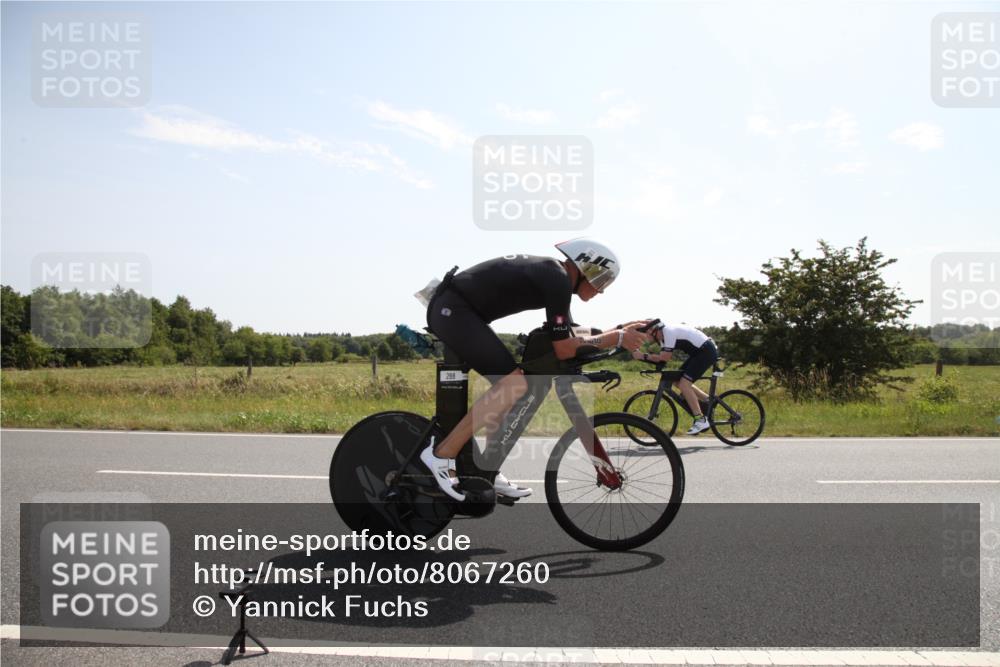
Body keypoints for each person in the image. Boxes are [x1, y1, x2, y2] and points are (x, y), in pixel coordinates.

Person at [421, 238, 650, 501]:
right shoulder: (558, 279)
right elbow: (564, 348)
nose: (602, 290)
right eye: (603, 281)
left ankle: (486, 469)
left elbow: (572, 334)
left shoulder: (557, 277)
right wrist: (617, 337)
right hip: (453, 310)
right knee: (515, 385)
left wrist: (619, 329)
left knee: (510, 388)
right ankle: (441, 455)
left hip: (459, 310)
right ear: (589, 268)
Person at [633, 322, 719, 435]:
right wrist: (644, 358)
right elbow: (662, 361)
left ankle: (700, 420)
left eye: (647, 334)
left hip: (706, 351)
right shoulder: (663, 338)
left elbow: (664, 357)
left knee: (684, 384)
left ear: (653, 331)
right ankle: (708, 400)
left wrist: (642, 356)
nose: (646, 337)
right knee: (677, 381)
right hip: (699, 353)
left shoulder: (668, 332)